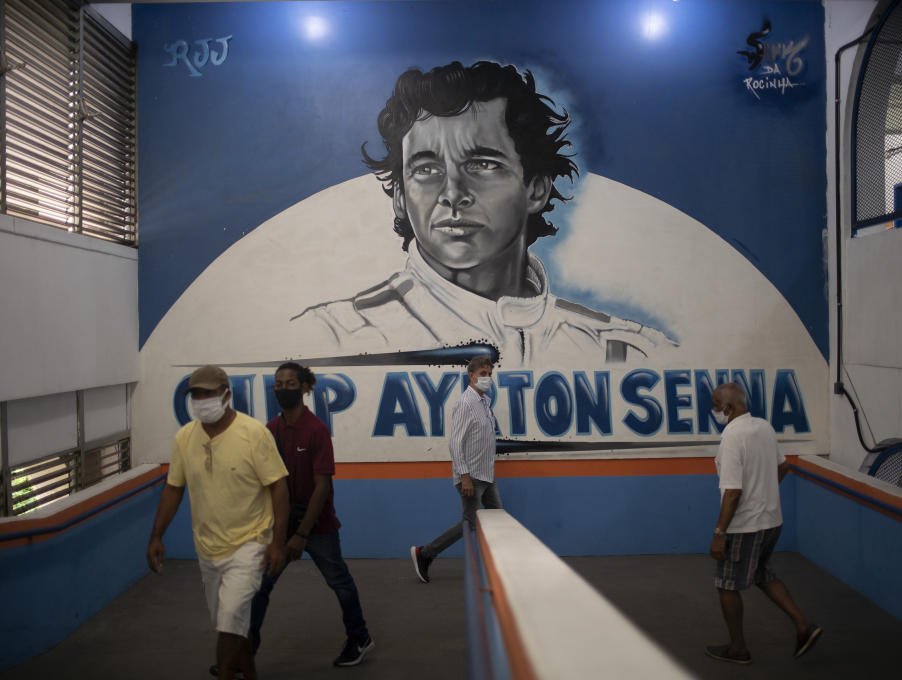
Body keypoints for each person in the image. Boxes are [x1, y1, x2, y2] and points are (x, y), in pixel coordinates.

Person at [292, 60, 676, 366]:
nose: (453, 194)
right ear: (399, 198)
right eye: (426, 170)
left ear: (536, 189)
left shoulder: (631, 350)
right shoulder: (330, 336)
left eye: (482, 164)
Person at [146, 365, 290, 680]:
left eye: (207, 393)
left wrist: (277, 543)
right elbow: (174, 487)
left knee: (229, 619)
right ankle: (248, 672)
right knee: (232, 622)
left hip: (250, 543)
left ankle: (225, 674)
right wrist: (156, 535)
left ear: (226, 395)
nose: (201, 400)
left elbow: (278, 486)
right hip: (208, 547)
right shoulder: (185, 438)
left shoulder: (253, 433)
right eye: (196, 394)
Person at [240, 362, 374, 668]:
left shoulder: (316, 430)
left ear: (304, 387)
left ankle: (360, 637)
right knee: (259, 586)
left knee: (339, 583)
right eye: (277, 384)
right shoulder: (270, 431)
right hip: (281, 524)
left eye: (289, 383)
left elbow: (322, 486)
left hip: (317, 525)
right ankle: (245, 652)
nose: (282, 389)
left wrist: (301, 534)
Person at [706, 383, 822, 664]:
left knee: (726, 585)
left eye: (715, 405)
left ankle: (738, 649)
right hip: (772, 521)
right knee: (762, 574)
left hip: (746, 526)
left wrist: (719, 533)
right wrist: (763, 493)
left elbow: (732, 492)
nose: (714, 411)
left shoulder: (732, 436)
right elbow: (784, 467)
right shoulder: (764, 427)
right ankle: (803, 627)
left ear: (728, 408)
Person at [411, 355, 501, 582]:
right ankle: (425, 553)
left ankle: (498, 566)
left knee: (497, 518)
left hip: (486, 474)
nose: (487, 378)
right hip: (471, 476)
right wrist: (465, 477)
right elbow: (455, 442)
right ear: (471, 376)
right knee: (470, 522)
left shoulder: (484, 403)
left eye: (489, 374)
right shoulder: (465, 403)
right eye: (483, 374)